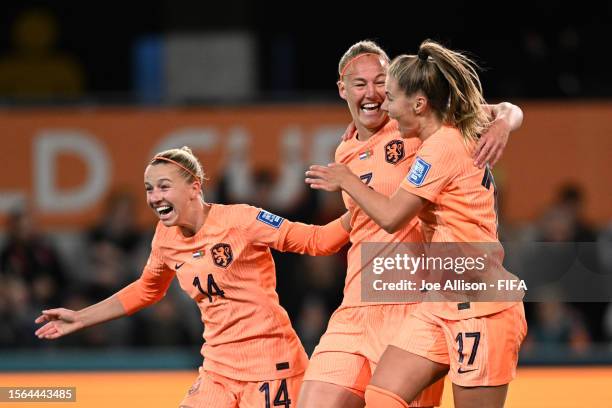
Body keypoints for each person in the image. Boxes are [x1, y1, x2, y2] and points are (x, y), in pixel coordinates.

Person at [298, 40, 523, 408]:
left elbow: (392, 215)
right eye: (361, 85)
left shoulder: (428, 134)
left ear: (413, 100)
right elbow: (359, 220)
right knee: (378, 398)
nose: (377, 98)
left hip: (437, 300)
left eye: (384, 88)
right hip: (377, 304)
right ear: (342, 89)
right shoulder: (347, 150)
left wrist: (502, 124)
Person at [34, 146, 351, 408]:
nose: (155, 196)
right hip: (218, 369)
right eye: (149, 189)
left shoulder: (241, 220)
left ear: (195, 187)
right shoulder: (165, 237)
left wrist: (370, 207)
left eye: (163, 186)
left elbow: (318, 241)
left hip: (270, 365)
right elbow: (147, 289)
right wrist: (79, 318)